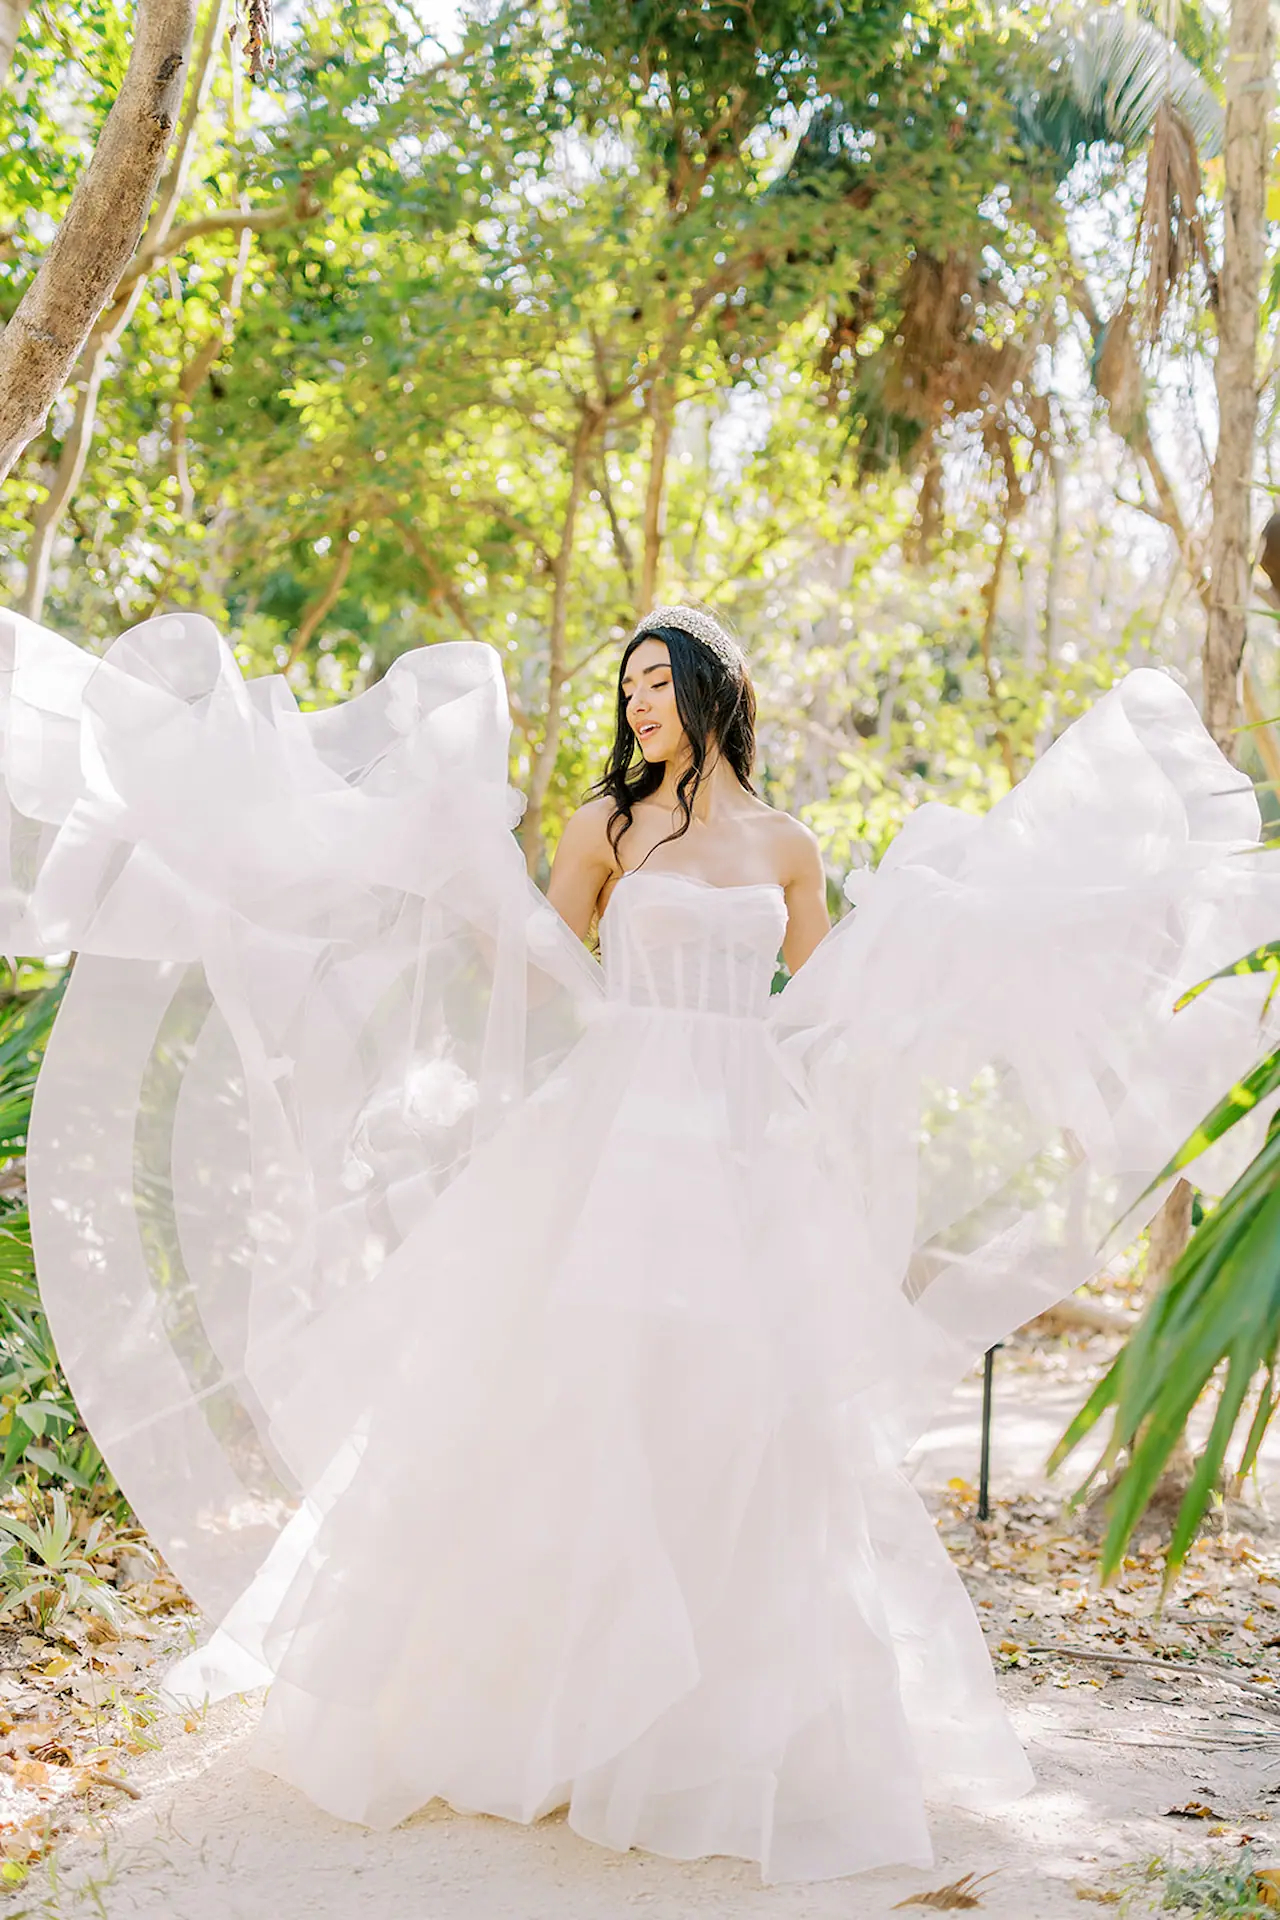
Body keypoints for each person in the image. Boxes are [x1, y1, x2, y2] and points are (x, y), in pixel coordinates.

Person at [0, 599, 1276, 1884]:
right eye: (629, 688)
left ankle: (706, 1733)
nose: (638, 704)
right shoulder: (603, 828)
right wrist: (473, 888)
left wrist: (927, 954)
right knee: (579, 1403)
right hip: (612, 1133)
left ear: (714, 691)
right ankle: (541, 1716)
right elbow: (544, 972)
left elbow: (819, 1005)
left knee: (741, 1415)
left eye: (657, 682)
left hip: (743, 1146)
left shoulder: (788, 845)